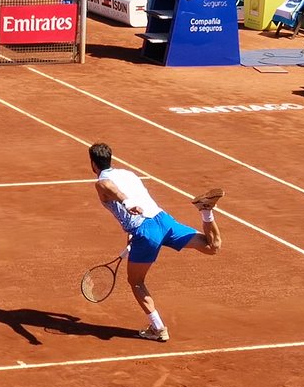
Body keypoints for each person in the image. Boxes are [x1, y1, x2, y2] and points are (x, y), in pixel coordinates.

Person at [88, 142, 224, 342]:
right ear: (111, 159)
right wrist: (131, 232)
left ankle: (158, 328)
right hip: (163, 221)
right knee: (212, 247)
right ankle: (205, 211)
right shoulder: (129, 174)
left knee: (136, 282)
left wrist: (126, 202)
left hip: (146, 231)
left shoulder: (101, 182)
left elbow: (106, 186)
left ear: (93, 164)